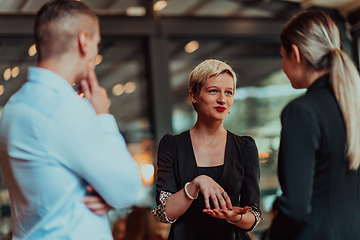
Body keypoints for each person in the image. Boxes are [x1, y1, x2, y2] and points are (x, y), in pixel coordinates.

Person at [0, 0, 141, 239]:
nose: (96, 51)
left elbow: (55, 184)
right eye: (97, 43)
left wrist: (108, 194)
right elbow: (127, 190)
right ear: (84, 41)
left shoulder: (14, 106)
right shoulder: (64, 106)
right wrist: (103, 115)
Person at [269, 10, 360, 240]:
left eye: (283, 56)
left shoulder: (301, 111)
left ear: (296, 54)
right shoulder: (353, 104)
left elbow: (295, 208)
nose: (283, 64)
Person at [152, 59, 262, 240]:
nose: (222, 99)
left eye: (229, 92)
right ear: (194, 96)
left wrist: (237, 217)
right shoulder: (171, 145)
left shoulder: (245, 147)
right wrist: (196, 184)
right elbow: (165, 213)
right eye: (213, 91)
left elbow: (254, 215)